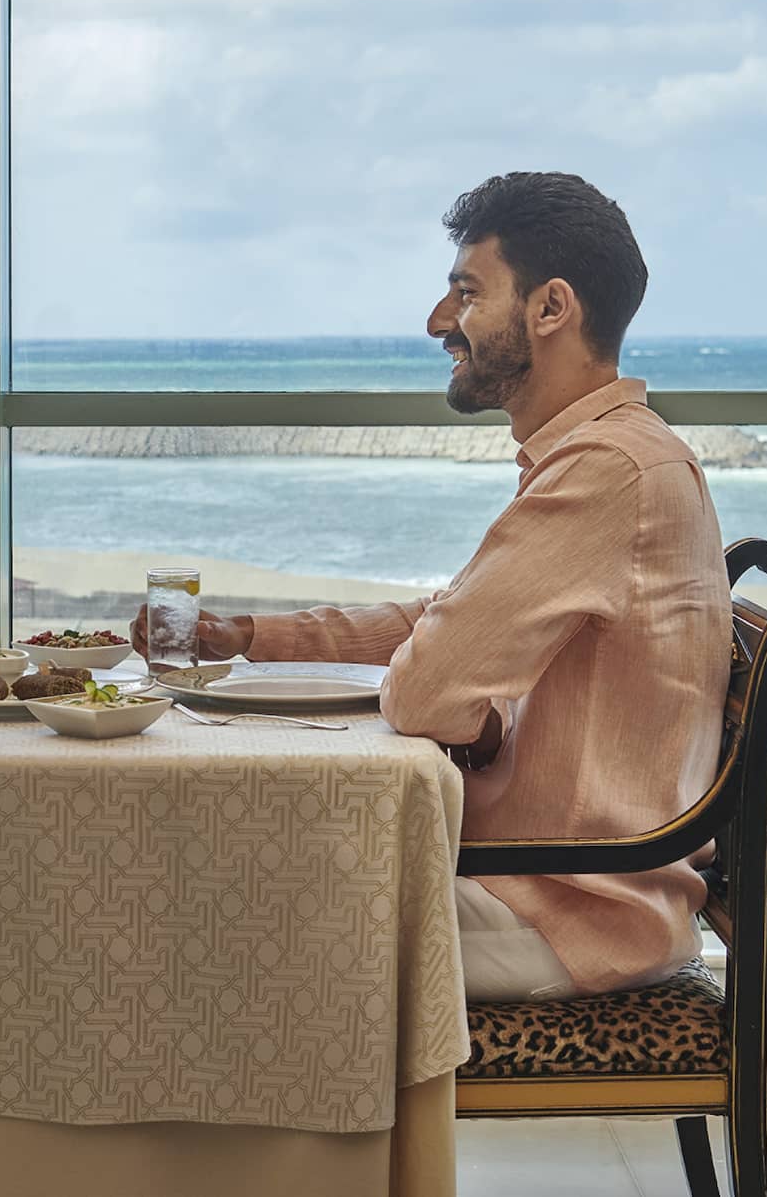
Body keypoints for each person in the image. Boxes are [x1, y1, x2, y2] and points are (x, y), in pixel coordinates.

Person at [133, 171, 731, 1001]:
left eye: (466, 293)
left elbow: (424, 693)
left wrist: (472, 709)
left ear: (550, 308)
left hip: (565, 909)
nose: (438, 322)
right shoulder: (608, 455)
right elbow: (445, 626)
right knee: (227, 888)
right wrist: (255, 639)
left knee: (208, 922)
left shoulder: (610, 470)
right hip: (552, 885)